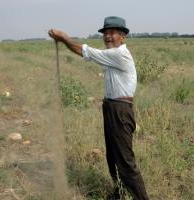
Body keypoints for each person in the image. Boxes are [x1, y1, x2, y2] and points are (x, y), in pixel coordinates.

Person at [49, 16, 149, 200]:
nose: (108, 36)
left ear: (123, 37)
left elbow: (85, 51)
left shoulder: (119, 54)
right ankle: (119, 192)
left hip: (121, 110)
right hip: (111, 107)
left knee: (126, 162)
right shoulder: (112, 55)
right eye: (106, 33)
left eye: (113, 33)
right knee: (112, 158)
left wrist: (64, 38)